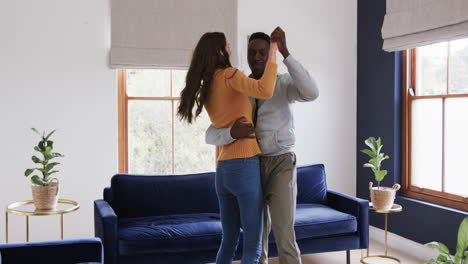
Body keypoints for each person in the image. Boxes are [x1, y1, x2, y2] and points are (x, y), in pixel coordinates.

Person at [205, 27, 319, 264]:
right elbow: (210, 133)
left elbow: (312, 92)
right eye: (252, 52)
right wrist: (230, 133)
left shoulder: (283, 83)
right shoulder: (238, 84)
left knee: (284, 231)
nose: (256, 57)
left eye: (262, 53)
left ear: (270, 55)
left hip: (280, 162)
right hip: (250, 164)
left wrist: (286, 53)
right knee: (258, 236)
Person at [177, 31, 278, 264]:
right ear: (220, 51)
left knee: (229, 240)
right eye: (228, 45)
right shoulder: (230, 75)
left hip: (223, 170)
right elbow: (266, 90)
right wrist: (273, 52)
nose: (231, 48)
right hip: (244, 165)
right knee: (252, 245)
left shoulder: (207, 84)